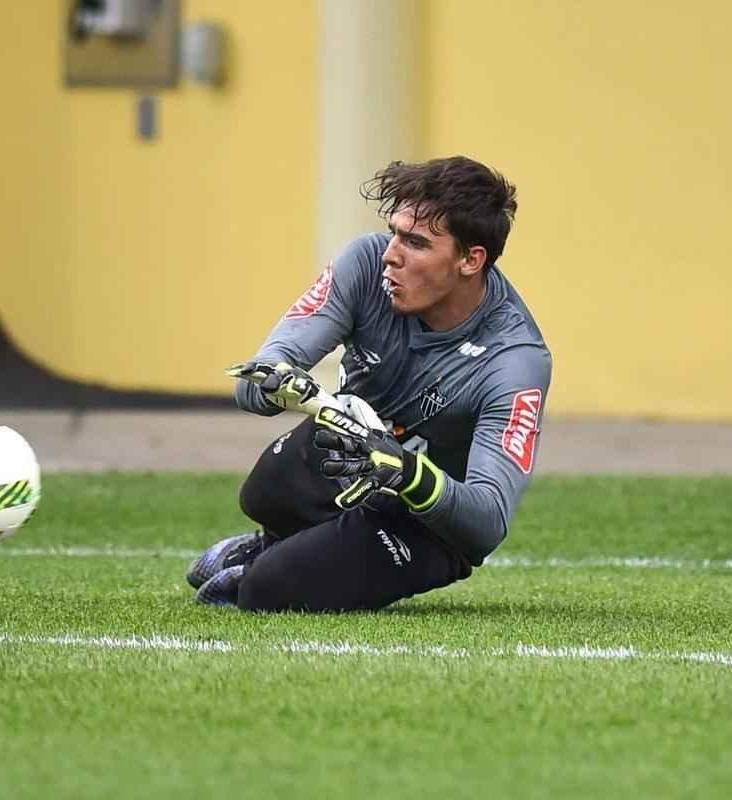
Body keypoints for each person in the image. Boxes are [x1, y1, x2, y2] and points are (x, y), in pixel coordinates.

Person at [187, 155, 552, 612]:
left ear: (469, 259)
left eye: (416, 242)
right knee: (264, 489)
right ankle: (276, 545)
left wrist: (406, 471)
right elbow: (254, 379)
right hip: (351, 467)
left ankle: (273, 564)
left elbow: (486, 523)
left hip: (427, 524)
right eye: (394, 232)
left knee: (265, 592)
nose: (391, 254)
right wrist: (279, 384)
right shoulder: (365, 266)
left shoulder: (515, 362)